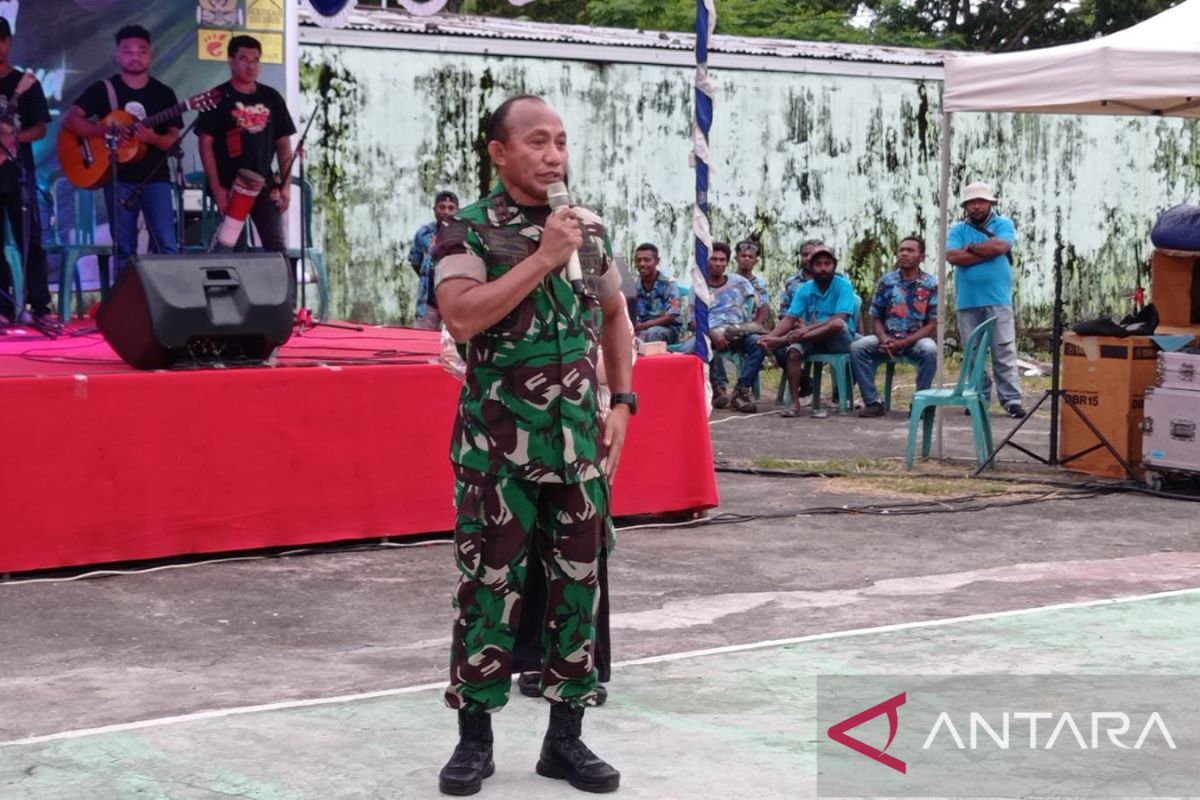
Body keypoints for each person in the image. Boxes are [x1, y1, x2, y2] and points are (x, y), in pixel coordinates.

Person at [432, 94, 630, 796]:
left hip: (577, 447)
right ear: (499, 152)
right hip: (498, 449)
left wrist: (623, 401)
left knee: (579, 588)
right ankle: (474, 740)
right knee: (489, 586)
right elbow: (460, 317)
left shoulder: (586, 230)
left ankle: (566, 739)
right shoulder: (468, 233)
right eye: (537, 142)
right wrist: (545, 258)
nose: (553, 155)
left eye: (561, 142)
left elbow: (614, 313)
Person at [63, 25, 182, 274]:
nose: (135, 56)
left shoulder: (163, 93)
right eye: (128, 51)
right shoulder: (104, 89)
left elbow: (172, 139)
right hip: (118, 178)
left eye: (141, 50)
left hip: (156, 179)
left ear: (150, 54)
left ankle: (165, 307)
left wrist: (151, 138)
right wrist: (107, 131)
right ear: (117, 55)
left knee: (167, 245)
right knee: (124, 249)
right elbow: (72, 121)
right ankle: (124, 307)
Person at [196, 35, 296, 254]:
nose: (250, 65)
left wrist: (286, 186)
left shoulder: (271, 97)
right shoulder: (217, 97)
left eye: (255, 60)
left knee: (277, 249)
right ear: (231, 61)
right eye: (244, 59)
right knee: (233, 250)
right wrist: (217, 188)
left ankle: (284, 289)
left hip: (264, 186)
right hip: (230, 188)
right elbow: (205, 144)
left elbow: (284, 144)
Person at [946, 181, 1025, 418]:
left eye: (982, 202)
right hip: (967, 301)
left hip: (997, 299)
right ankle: (978, 397)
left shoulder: (1003, 224)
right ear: (966, 206)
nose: (977, 206)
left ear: (990, 203)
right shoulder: (958, 229)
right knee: (973, 353)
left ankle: (1011, 399)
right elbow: (952, 255)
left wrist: (970, 249)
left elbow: (1002, 245)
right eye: (972, 202)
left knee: (1003, 349)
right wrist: (986, 252)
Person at [761, 245, 857, 418]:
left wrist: (798, 333)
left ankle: (785, 341)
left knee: (836, 325)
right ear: (811, 266)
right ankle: (795, 403)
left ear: (834, 265)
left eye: (827, 263)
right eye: (818, 264)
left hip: (838, 340)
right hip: (811, 338)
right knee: (793, 352)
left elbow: (840, 317)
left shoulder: (844, 285)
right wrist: (769, 337)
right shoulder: (804, 289)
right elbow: (790, 318)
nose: (823, 268)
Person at [851, 235, 939, 417]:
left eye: (910, 250)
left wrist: (904, 342)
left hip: (916, 340)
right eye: (901, 250)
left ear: (921, 257)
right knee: (857, 347)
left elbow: (932, 323)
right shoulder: (887, 281)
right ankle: (873, 402)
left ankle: (919, 403)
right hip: (888, 338)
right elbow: (875, 316)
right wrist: (883, 337)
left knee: (930, 350)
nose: (904, 254)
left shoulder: (931, 284)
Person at [0, 18, 51, 324]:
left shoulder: (25, 83)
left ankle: (41, 307)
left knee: (29, 241)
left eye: (0, 40)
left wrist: (12, 137)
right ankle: (2, 309)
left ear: (8, 43)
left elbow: (42, 129)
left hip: (19, 173)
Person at [678, 241, 765, 413]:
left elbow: (762, 305)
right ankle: (717, 389)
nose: (718, 264)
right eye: (714, 259)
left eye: (722, 260)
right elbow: (692, 321)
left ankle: (741, 392)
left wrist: (757, 324)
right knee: (688, 349)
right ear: (706, 262)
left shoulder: (739, 282)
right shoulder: (697, 287)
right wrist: (712, 334)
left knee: (759, 343)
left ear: (727, 262)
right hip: (708, 332)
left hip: (737, 331)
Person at [408, 190, 458, 330]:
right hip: (428, 300)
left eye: (451, 208)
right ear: (434, 209)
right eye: (442, 207)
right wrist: (429, 277)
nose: (446, 211)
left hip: (455, 300)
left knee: (454, 346)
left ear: (458, 210)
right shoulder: (424, 233)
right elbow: (415, 261)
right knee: (420, 342)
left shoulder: (466, 234)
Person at [631, 242, 680, 344]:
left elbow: (672, 316)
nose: (642, 264)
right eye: (638, 260)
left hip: (667, 330)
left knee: (652, 333)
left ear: (657, 261)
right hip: (640, 328)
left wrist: (643, 326)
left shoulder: (669, 283)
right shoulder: (632, 284)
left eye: (647, 260)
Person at [734, 239, 770, 325]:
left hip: (752, 325)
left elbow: (763, 306)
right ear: (736, 258)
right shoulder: (728, 280)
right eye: (743, 256)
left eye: (750, 257)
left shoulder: (760, 283)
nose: (747, 259)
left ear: (756, 261)